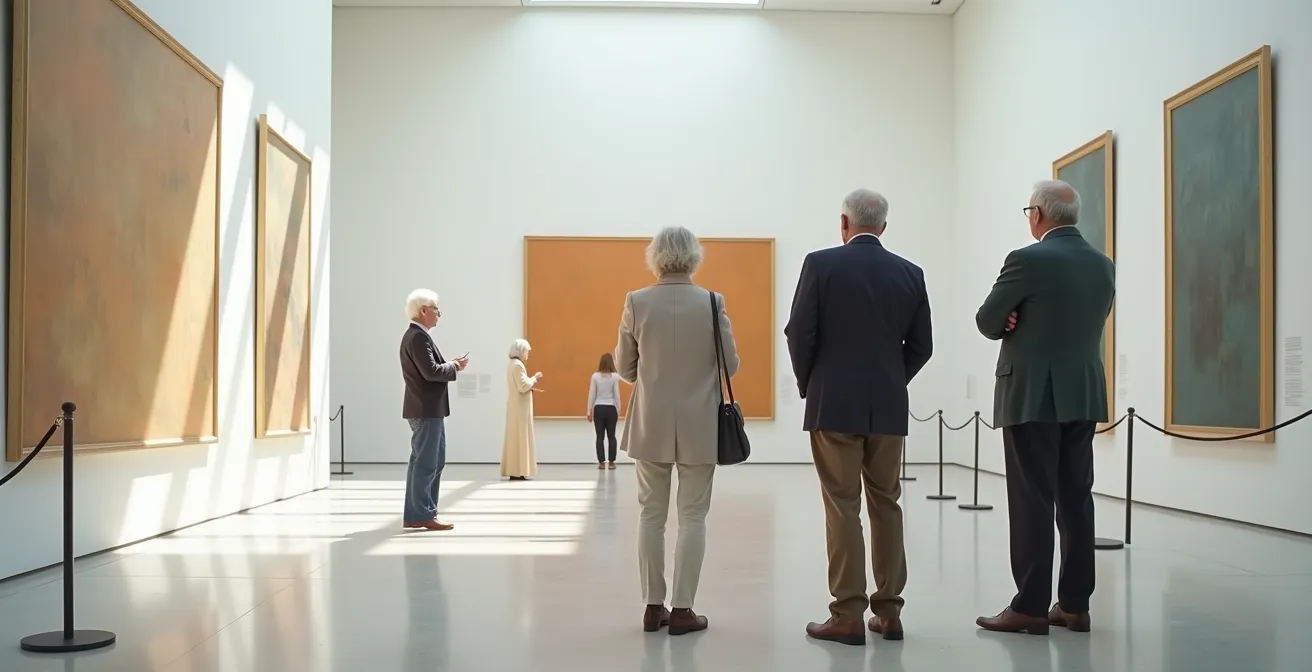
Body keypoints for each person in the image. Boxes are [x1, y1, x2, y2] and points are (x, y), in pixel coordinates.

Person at [786, 189, 933, 646]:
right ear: (883, 228)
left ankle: (847, 613)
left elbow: (799, 332)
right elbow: (922, 345)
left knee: (842, 506)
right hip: (887, 407)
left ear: (843, 223)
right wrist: (893, 380)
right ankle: (889, 612)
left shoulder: (820, 264)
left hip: (834, 404)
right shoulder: (910, 273)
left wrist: (810, 382)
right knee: (886, 503)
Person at [973, 180, 1114, 635]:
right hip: (1083, 393)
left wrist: (1013, 316)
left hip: (1033, 394)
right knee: (1076, 497)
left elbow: (988, 319)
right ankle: (1074, 604)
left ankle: (1031, 605)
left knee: (1033, 497)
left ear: (1037, 214)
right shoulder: (1103, 265)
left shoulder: (1027, 260)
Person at [617, 225, 738, 636]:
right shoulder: (711, 302)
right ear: (693, 256)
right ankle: (684, 610)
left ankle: (653, 607)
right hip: (701, 425)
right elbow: (731, 366)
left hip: (650, 422)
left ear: (656, 257)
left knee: (651, 516)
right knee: (693, 518)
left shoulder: (636, 301)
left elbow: (624, 368)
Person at [399, 288, 468, 532]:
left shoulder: (416, 336)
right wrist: (454, 366)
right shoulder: (418, 337)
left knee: (425, 462)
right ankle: (423, 514)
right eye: (437, 309)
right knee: (428, 462)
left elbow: (428, 368)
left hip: (423, 408)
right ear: (423, 311)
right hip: (426, 409)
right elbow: (431, 372)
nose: (440, 314)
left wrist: (450, 365)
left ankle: (418, 513)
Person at [500, 339, 542, 481]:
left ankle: (516, 469)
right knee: (520, 436)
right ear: (521, 351)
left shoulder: (512, 365)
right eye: (527, 351)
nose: (528, 354)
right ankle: (519, 470)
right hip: (520, 408)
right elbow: (523, 386)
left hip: (516, 406)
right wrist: (534, 378)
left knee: (516, 438)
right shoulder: (518, 365)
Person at [587, 352, 622, 469]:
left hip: (599, 408)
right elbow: (617, 394)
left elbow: (592, 394)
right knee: (612, 436)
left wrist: (589, 410)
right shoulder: (615, 376)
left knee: (599, 437)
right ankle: (611, 463)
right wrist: (618, 408)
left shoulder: (595, 376)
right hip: (611, 408)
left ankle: (601, 463)